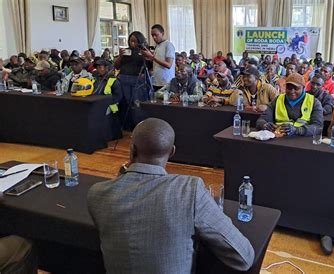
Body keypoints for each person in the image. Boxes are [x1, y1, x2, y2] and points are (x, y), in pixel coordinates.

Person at [87, 118, 255, 273]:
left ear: (131, 150)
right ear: (172, 151)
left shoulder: (97, 194)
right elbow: (244, 257)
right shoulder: (189, 190)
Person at [256, 73, 323, 136]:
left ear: (303, 88)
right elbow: (261, 120)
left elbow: (318, 127)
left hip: (302, 141)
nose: (292, 91)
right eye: (289, 88)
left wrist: (298, 130)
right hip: (279, 139)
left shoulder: (314, 102)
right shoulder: (278, 99)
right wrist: (264, 125)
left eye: (296, 88)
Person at [114, 31, 152, 130]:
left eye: (135, 41)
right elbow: (116, 66)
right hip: (124, 79)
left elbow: (150, 66)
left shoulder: (144, 51)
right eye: (131, 41)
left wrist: (146, 56)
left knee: (137, 104)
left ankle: (139, 127)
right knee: (126, 103)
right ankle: (127, 127)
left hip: (137, 80)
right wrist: (120, 56)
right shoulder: (126, 51)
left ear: (140, 41)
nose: (133, 43)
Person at [92, 58, 123, 139]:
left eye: (100, 67)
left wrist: (106, 103)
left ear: (106, 68)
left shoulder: (114, 80)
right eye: (97, 67)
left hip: (110, 106)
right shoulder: (95, 79)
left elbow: (118, 96)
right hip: (96, 104)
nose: (98, 69)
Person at [142, 24, 175, 90]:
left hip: (166, 82)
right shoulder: (157, 46)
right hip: (156, 81)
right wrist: (149, 57)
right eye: (152, 35)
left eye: (156, 35)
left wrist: (152, 56)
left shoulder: (168, 45)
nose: (154, 37)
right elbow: (157, 62)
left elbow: (168, 65)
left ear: (162, 33)